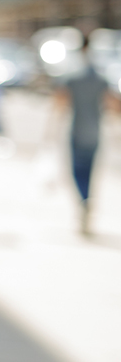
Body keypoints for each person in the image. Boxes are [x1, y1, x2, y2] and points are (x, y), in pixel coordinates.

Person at [56, 34, 118, 234]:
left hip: (76, 130)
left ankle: (83, 199)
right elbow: (112, 104)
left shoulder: (72, 76)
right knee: (90, 172)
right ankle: (87, 199)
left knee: (76, 171)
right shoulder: (100, 77)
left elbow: (60, 103)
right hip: (94, 132)